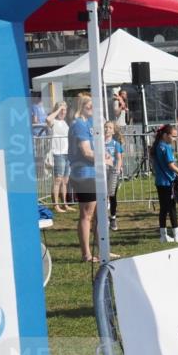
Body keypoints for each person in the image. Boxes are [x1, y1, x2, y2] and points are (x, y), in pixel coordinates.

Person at [67, 94, 97, 261]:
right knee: (87, 214)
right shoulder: (79, 124)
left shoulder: (88, 123)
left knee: (98, 214)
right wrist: (103, 158)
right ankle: (86, 254)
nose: (93, 107)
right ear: (81, 107)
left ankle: (102, 250)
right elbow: (86, 152)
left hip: (93, 172)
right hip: (84, 173)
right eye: (89, 105)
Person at [152, 124, 178, 243]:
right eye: (173, 136)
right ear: (165, 135)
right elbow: (171, 165)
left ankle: (163, 235)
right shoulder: (167, 147)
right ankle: (176, 234)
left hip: (159, 181)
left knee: (163, 209)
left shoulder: (157, 146)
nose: (175, 139)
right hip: (167, 182)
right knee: (172, 208)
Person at [48, 101, 71, 213]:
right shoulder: (54, 121)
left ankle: (64, 204)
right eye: (61, 110)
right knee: (58, 179)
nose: (63, 112)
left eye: (64, 110)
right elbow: (48, 120)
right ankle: (56, 205)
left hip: (67, 154)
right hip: (58, 153)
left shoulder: (65, 123)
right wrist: (58, 109)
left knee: (65, 181)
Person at [104, 121, 124, 230]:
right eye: (105, 127)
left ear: (113, 131)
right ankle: (104, 218)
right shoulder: (99, 143)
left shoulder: (116, 144)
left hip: (112, 172)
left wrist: (117, 169)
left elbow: (119, 158)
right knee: (102, 196)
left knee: (112, 196)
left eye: (109, 127)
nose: (107, 129)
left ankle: (113, 218)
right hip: (101, 172)